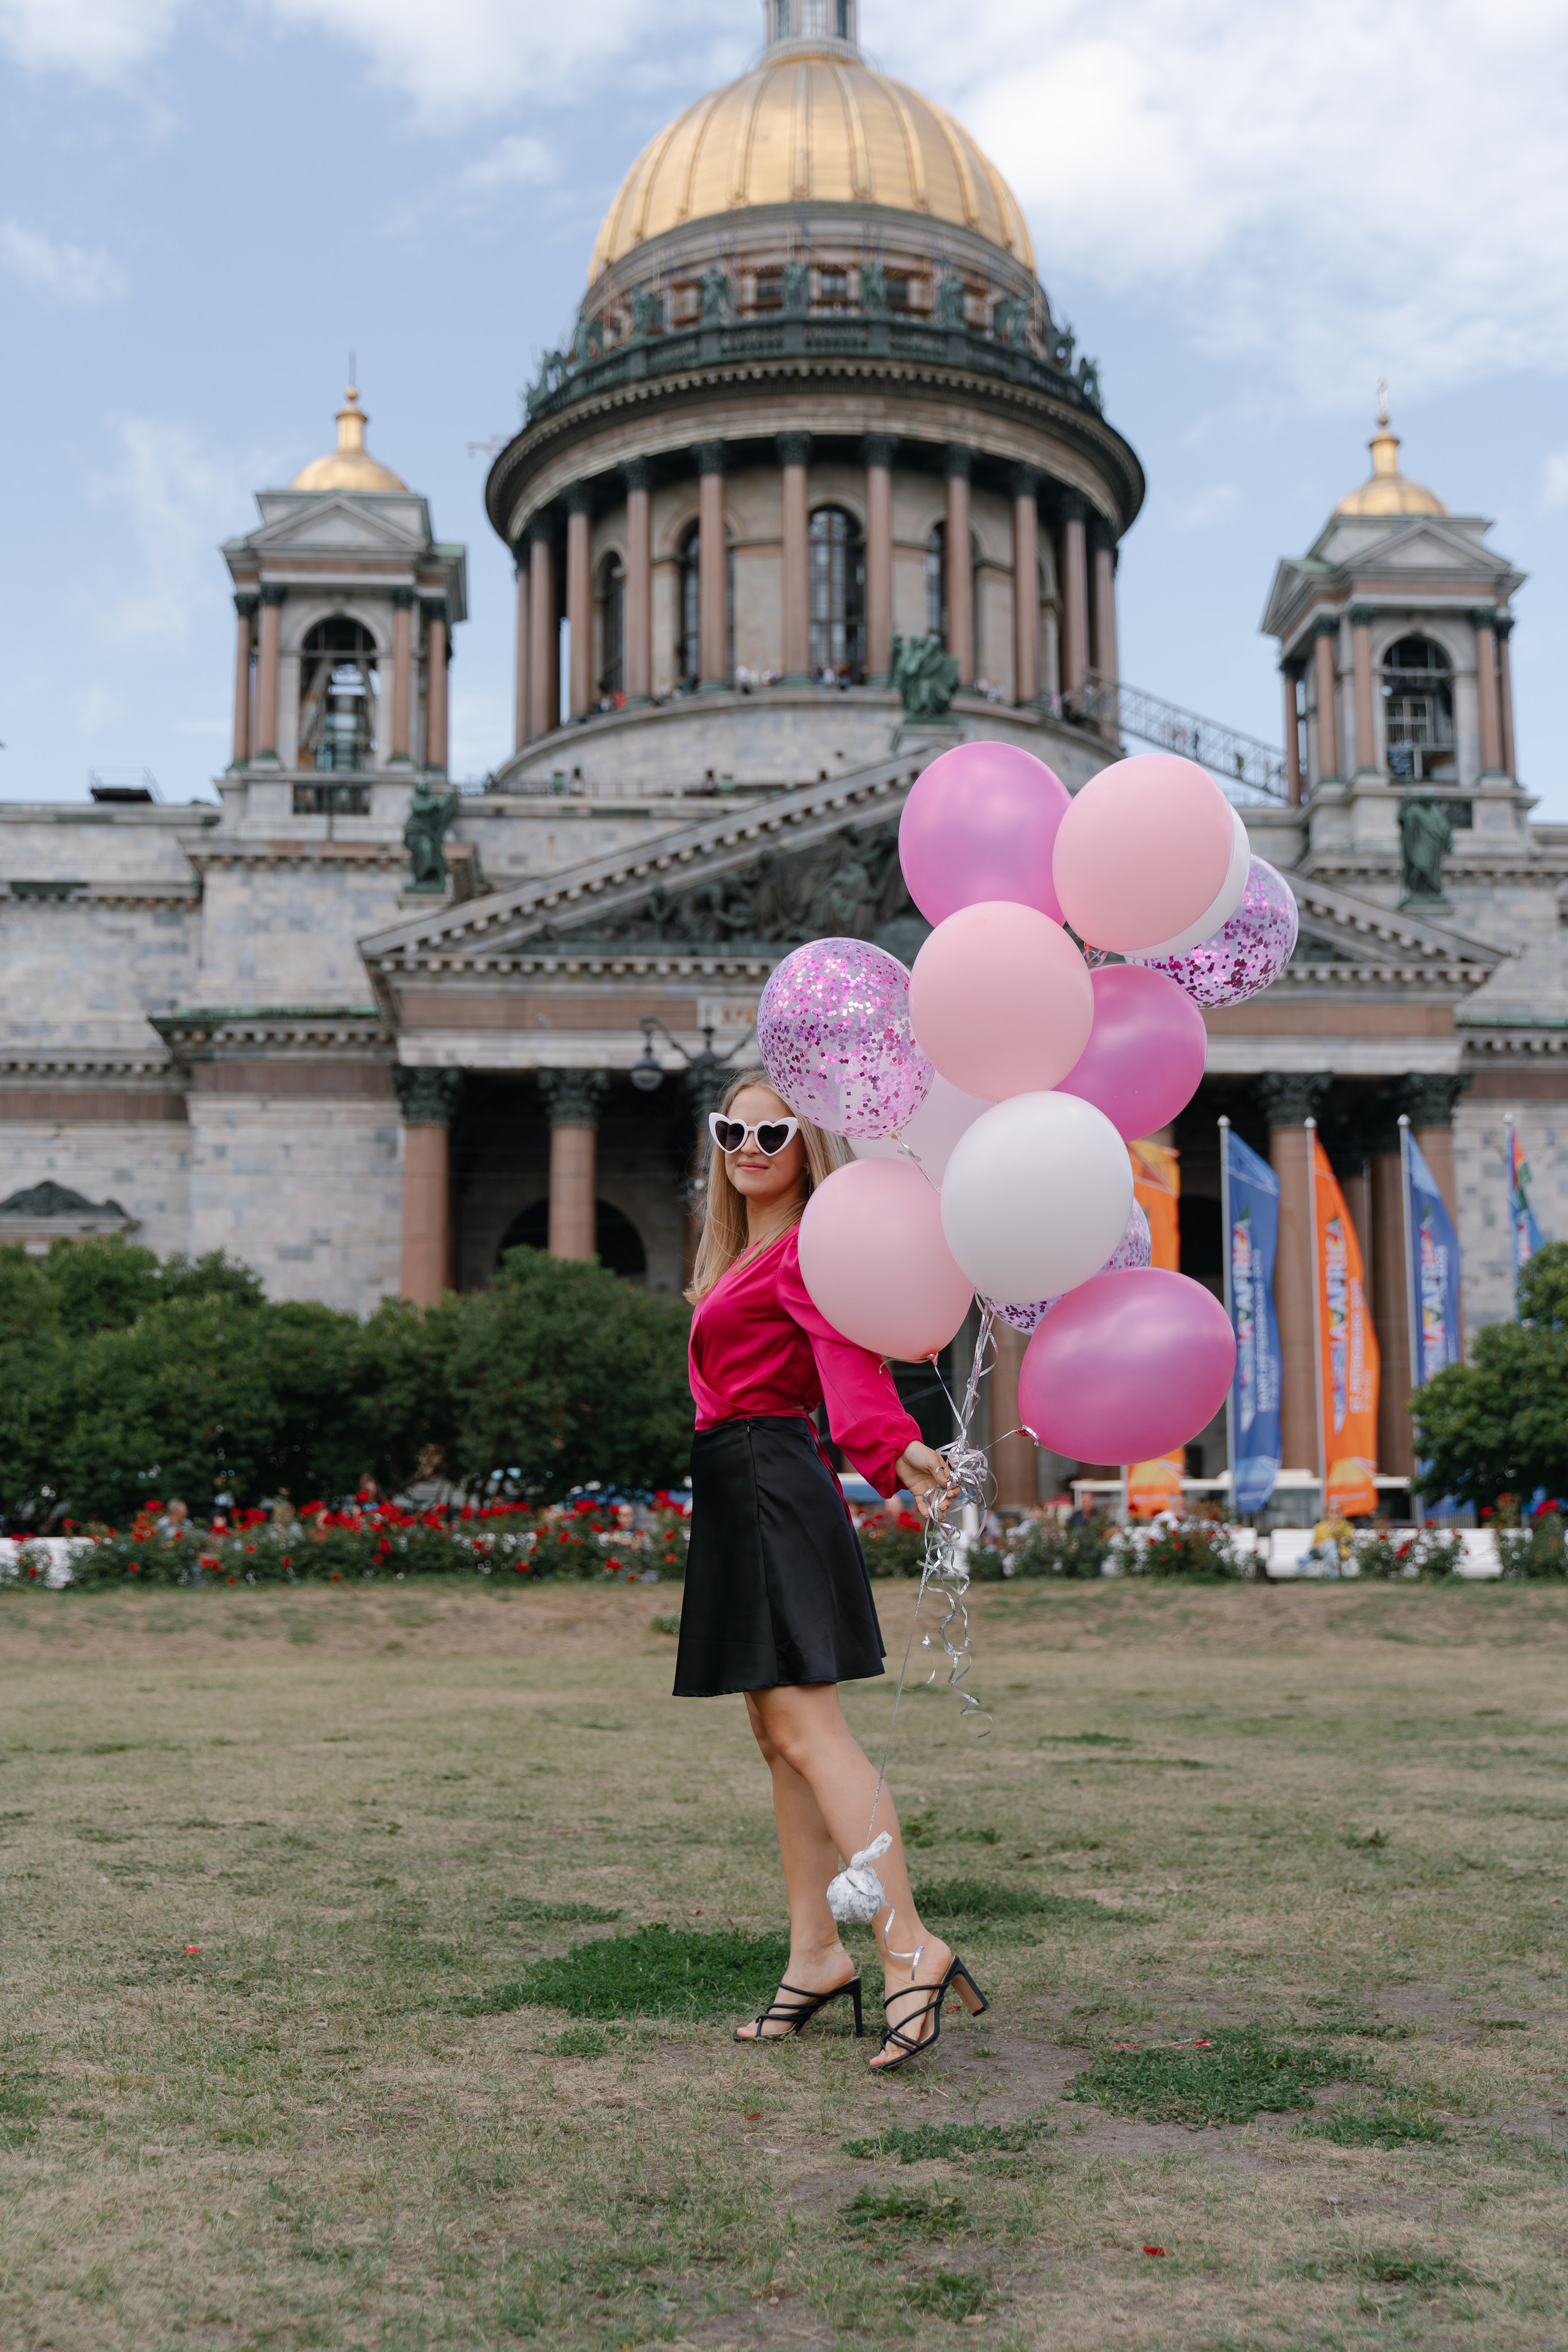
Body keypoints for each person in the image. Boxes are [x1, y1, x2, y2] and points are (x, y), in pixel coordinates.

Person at [677, 1068, 989, 2071]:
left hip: (772, 1482)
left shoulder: (815, 1246)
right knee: (776, 1733)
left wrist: (901, 1450)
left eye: (775, 1133)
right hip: (738, 1486)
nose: (752, 1147)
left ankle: (910, 1949)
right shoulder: (742, 1255)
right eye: (734, 1130)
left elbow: (849, 1370)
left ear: (809, 1145)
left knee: (813, 1732)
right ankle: (816, 1955)